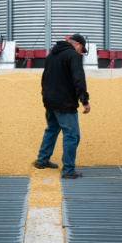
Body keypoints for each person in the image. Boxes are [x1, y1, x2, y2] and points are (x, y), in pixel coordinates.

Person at [35, 34, 91, 179]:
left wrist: (45, 95)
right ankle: (68, 170)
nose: (81, 53)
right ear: (77, 44)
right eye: (82, 49)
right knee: (72, 135)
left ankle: (42, 160)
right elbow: (79, 79)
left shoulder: (52, 55)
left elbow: (44, 77)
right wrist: (84, 101)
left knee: (52, 129)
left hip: (49, 101)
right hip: (65, 103)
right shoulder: (73, 55)